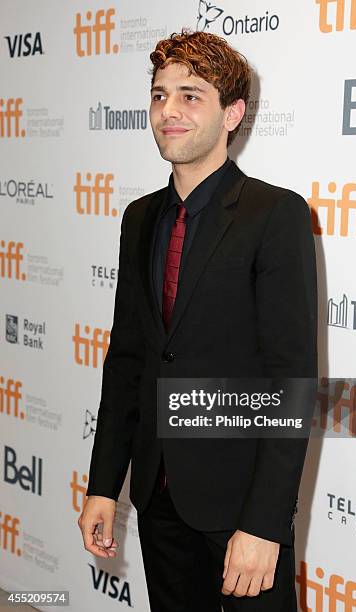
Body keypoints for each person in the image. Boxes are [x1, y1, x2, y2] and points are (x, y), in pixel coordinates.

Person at [78, 29, 317, 611]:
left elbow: (291, 378)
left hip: (242, 507)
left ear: (232, 113)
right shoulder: (139, 218)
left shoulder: (274, 214)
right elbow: (128, 359)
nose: (169, 111)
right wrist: (104, 485)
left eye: (190, 95)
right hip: (159, 497)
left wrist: (265, 524)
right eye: (159, 96)